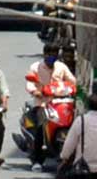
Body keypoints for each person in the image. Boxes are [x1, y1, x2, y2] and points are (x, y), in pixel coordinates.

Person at [26, 43, 77, 171]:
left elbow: (72, 81)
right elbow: (30, 84)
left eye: (54, 55)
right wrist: (36, 92)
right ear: (45, 54)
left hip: (60, 102)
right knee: (39, 128)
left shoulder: (61, 67)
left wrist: (73, 87)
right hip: (42, 103)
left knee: (76, 124)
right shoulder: (35, 67)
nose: (52, 58)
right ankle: (37, 160)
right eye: (49, 55)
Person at [59, 94, 97, 179]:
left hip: (83, 168)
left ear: (87, 105)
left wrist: (64, 157)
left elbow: (70, 143)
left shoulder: (80, 120)